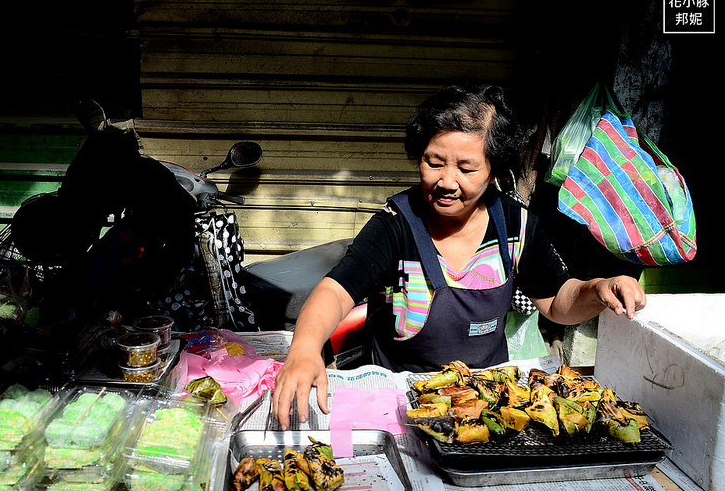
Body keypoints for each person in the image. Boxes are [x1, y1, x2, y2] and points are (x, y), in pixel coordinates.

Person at [272, 84, 646, 430]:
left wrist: (598, 289)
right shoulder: (396, 225)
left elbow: (556, 300)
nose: (447, 181)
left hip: (486, 406)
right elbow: (336, 292)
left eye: (466, 168)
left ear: (495, 170)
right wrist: (304, 350)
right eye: (434, 163)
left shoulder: (514, 224)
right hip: (400, 407)